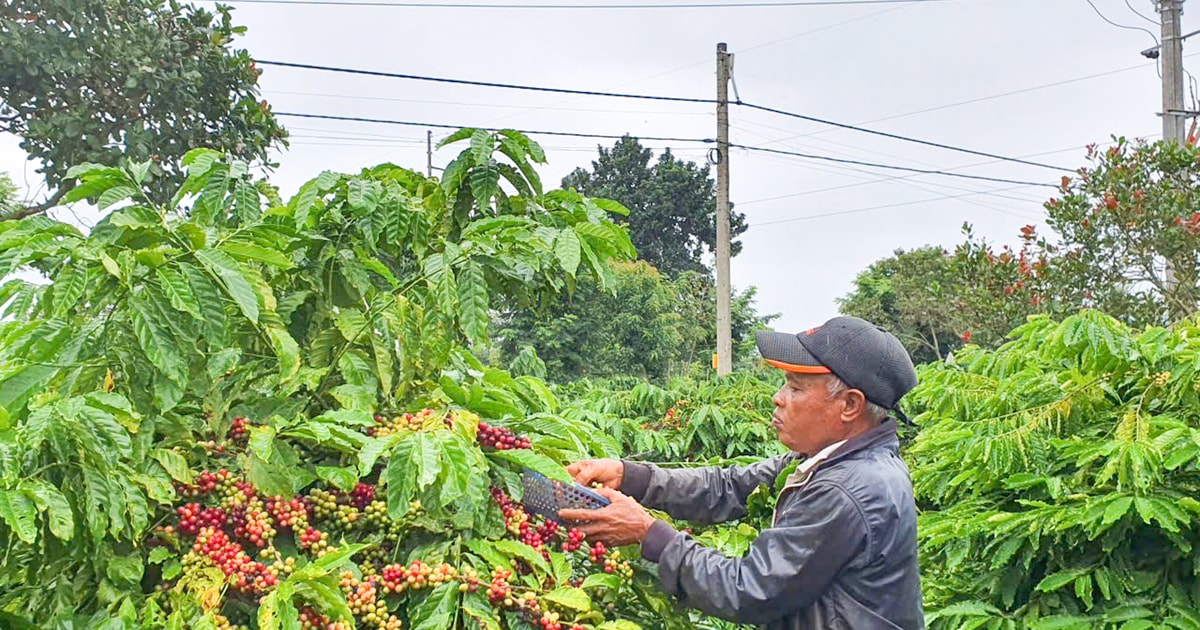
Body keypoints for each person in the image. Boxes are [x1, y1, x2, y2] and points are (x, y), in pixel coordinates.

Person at [558, 316, 925, 630]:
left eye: (796, 387)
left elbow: (750, 589)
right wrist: (630, 476)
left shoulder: (847, 489)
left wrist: (648, 533)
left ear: (849, 405)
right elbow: (730, 486)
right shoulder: (827, 459)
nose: (778, 397)